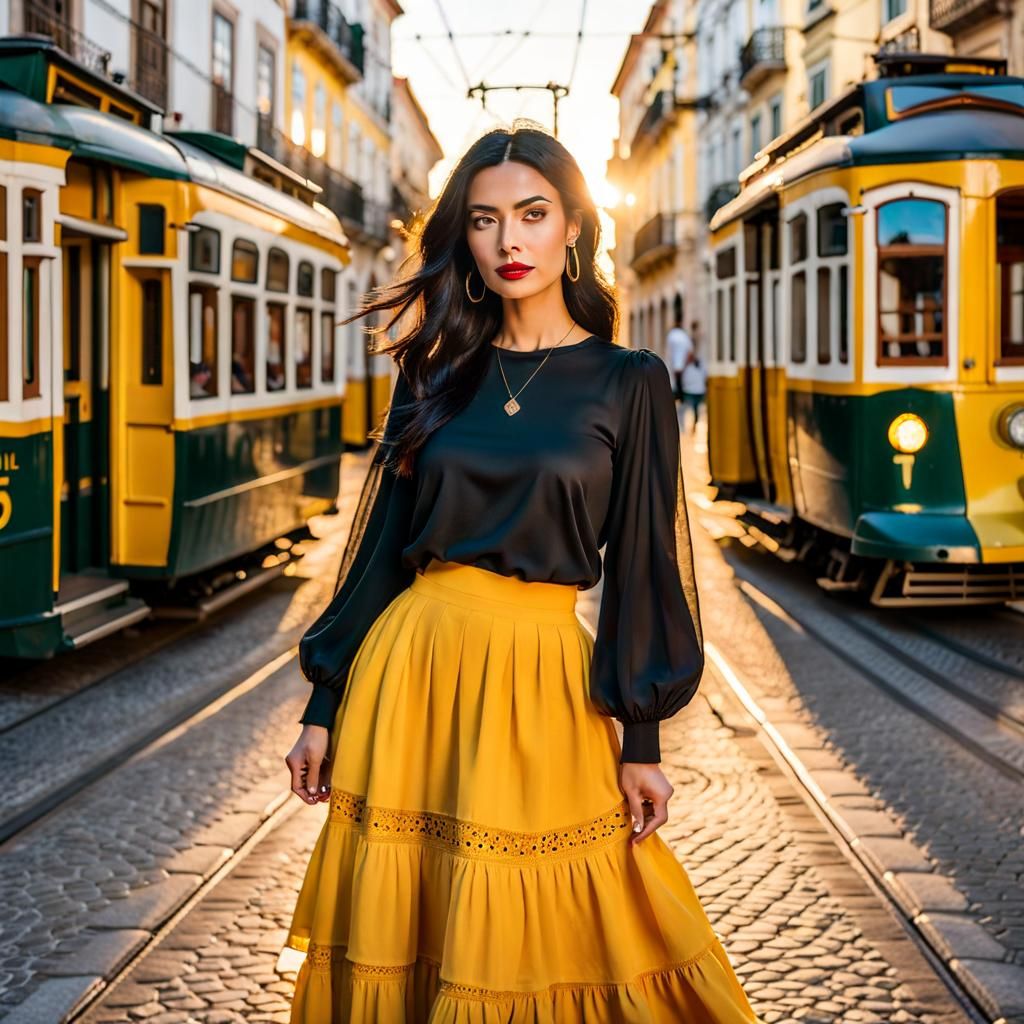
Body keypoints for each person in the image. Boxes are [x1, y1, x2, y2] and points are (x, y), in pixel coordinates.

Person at [282, 122, 761, 1023]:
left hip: (543, 678)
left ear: (574, 226)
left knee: (587, 913)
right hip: (410, 674)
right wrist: (322, 708)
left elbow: (644, 568)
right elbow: (381, 552)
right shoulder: (431, 372)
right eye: (484, 219)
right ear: (461, 235)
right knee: (416, 930)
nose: (509, 241)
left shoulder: (630, 380)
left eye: (533, 215)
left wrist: (643, 741)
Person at [681, 321, 707, 433]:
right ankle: (691, 426)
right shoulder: (693, 341)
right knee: (693, 407)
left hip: (694, 385)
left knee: (692, 407)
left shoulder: (693, 341)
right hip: (695, 385)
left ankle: (691, 426)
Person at [665, 314, 694, 401]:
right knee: (680, 379)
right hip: (683, 362)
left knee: (677, 379)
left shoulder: (671, 335)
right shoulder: (684, 335)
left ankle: (678, 395)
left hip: (674, 361)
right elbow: (690, 350)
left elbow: (669, 350)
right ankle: (681, 396)